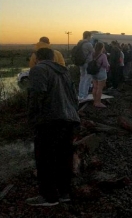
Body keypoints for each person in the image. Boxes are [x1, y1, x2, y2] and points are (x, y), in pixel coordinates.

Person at [26, 48, 80, 206]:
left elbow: (37, 96)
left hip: (49, 121)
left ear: (37, 58)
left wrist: (32, 118)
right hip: (68, 119)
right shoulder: (64, 71)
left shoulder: (38, 70)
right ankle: (64, 193)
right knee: (64, 158)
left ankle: (48, 196)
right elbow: (74, 97)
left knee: (44, 159)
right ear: (53, 58)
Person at [91, 42, 110, 108]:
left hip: (93, 73)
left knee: (95, 87)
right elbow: (105, 65)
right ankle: (98, 102)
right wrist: (108, 66)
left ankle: (94, 101)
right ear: (102, 47)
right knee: (100, 88)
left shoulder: (92, 54)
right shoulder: (103, 55)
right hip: (101, 73)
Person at [77, 31, 95, 101]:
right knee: (87, 79)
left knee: (82, 78)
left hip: (81, 62)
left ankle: (80, 94)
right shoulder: (88, 44)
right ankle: (85, 95)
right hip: (87, 63)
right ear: (88, 36)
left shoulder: (79, 43)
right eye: (90, 36)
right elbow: (93, 52)